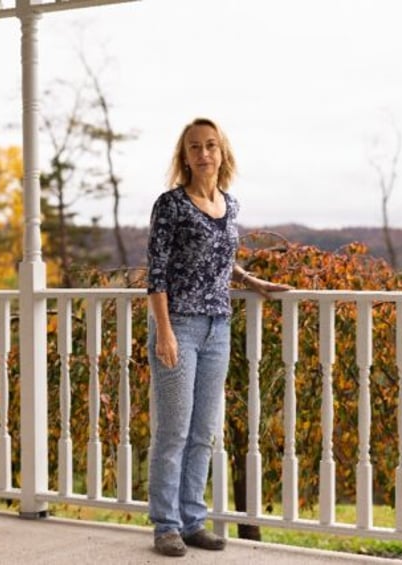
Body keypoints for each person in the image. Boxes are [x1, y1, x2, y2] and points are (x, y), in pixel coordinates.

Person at [146, 117, 291, 557]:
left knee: (204, 430)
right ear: (185, 157)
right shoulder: (170, 205)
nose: (204, 154)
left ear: (222, 152)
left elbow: (220, 262)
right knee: (173, 430)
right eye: (195, 148)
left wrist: (253, 282)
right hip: (180, 326)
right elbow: (156, 272)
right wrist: (165, 332)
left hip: (219, 327)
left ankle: (193, 522)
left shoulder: (231, 205)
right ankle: (166, 526)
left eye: (211, 146)